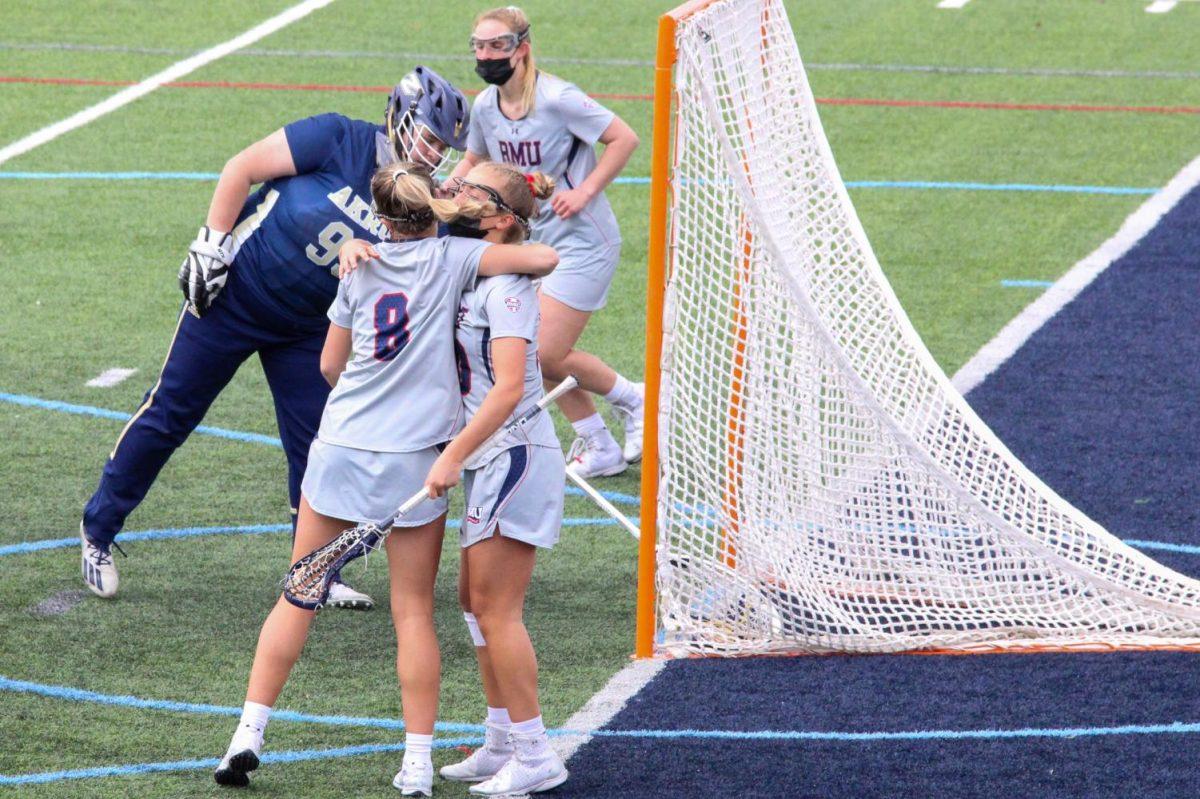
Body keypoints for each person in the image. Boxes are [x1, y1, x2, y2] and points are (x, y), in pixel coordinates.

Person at [212, 163, 559, 794]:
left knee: (300, 590)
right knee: (414, 613)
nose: (459, 191)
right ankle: (418, 764)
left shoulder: (364, 265)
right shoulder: (454, 259)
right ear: (433, 211)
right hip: (414, 458)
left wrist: (354, 249)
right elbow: (545, 256)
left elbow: (328, 366)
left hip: (345, 446)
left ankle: (246, 733)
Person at [78, 67, 469, 611]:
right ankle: (98, 528)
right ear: (399, 118)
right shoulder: (338, 137)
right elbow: (241, 167)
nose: (434, 154)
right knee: (172, 409)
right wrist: (210, 245)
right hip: (237, 294)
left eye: (443, 146)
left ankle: (311, 570)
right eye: (429, 137)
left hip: (309, 326)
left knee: (316, 446)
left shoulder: (421, 200)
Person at [449, 5, 644, 479]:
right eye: (479, 45)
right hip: (535, 249)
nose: (487, 54)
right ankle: (599, 445)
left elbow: (624, 138)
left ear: (522, 48)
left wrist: (584, 192)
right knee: (532, 351)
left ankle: (636, 400)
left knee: (544, 352)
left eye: (497, 45)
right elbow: (474, 158)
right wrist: (439, 194)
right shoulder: (484, 106)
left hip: (584, 244)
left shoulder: (558, 99)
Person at [439, 162, 570, 795]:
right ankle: (499, 739)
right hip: (487, 459)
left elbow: (511, 387)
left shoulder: (510, 283)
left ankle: (537, 754)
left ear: (500, 219)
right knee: (473, 603)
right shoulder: (472, 268)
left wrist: (450, 454)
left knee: (498, 610)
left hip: (512, 455)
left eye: (473, 190)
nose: (457, 194)